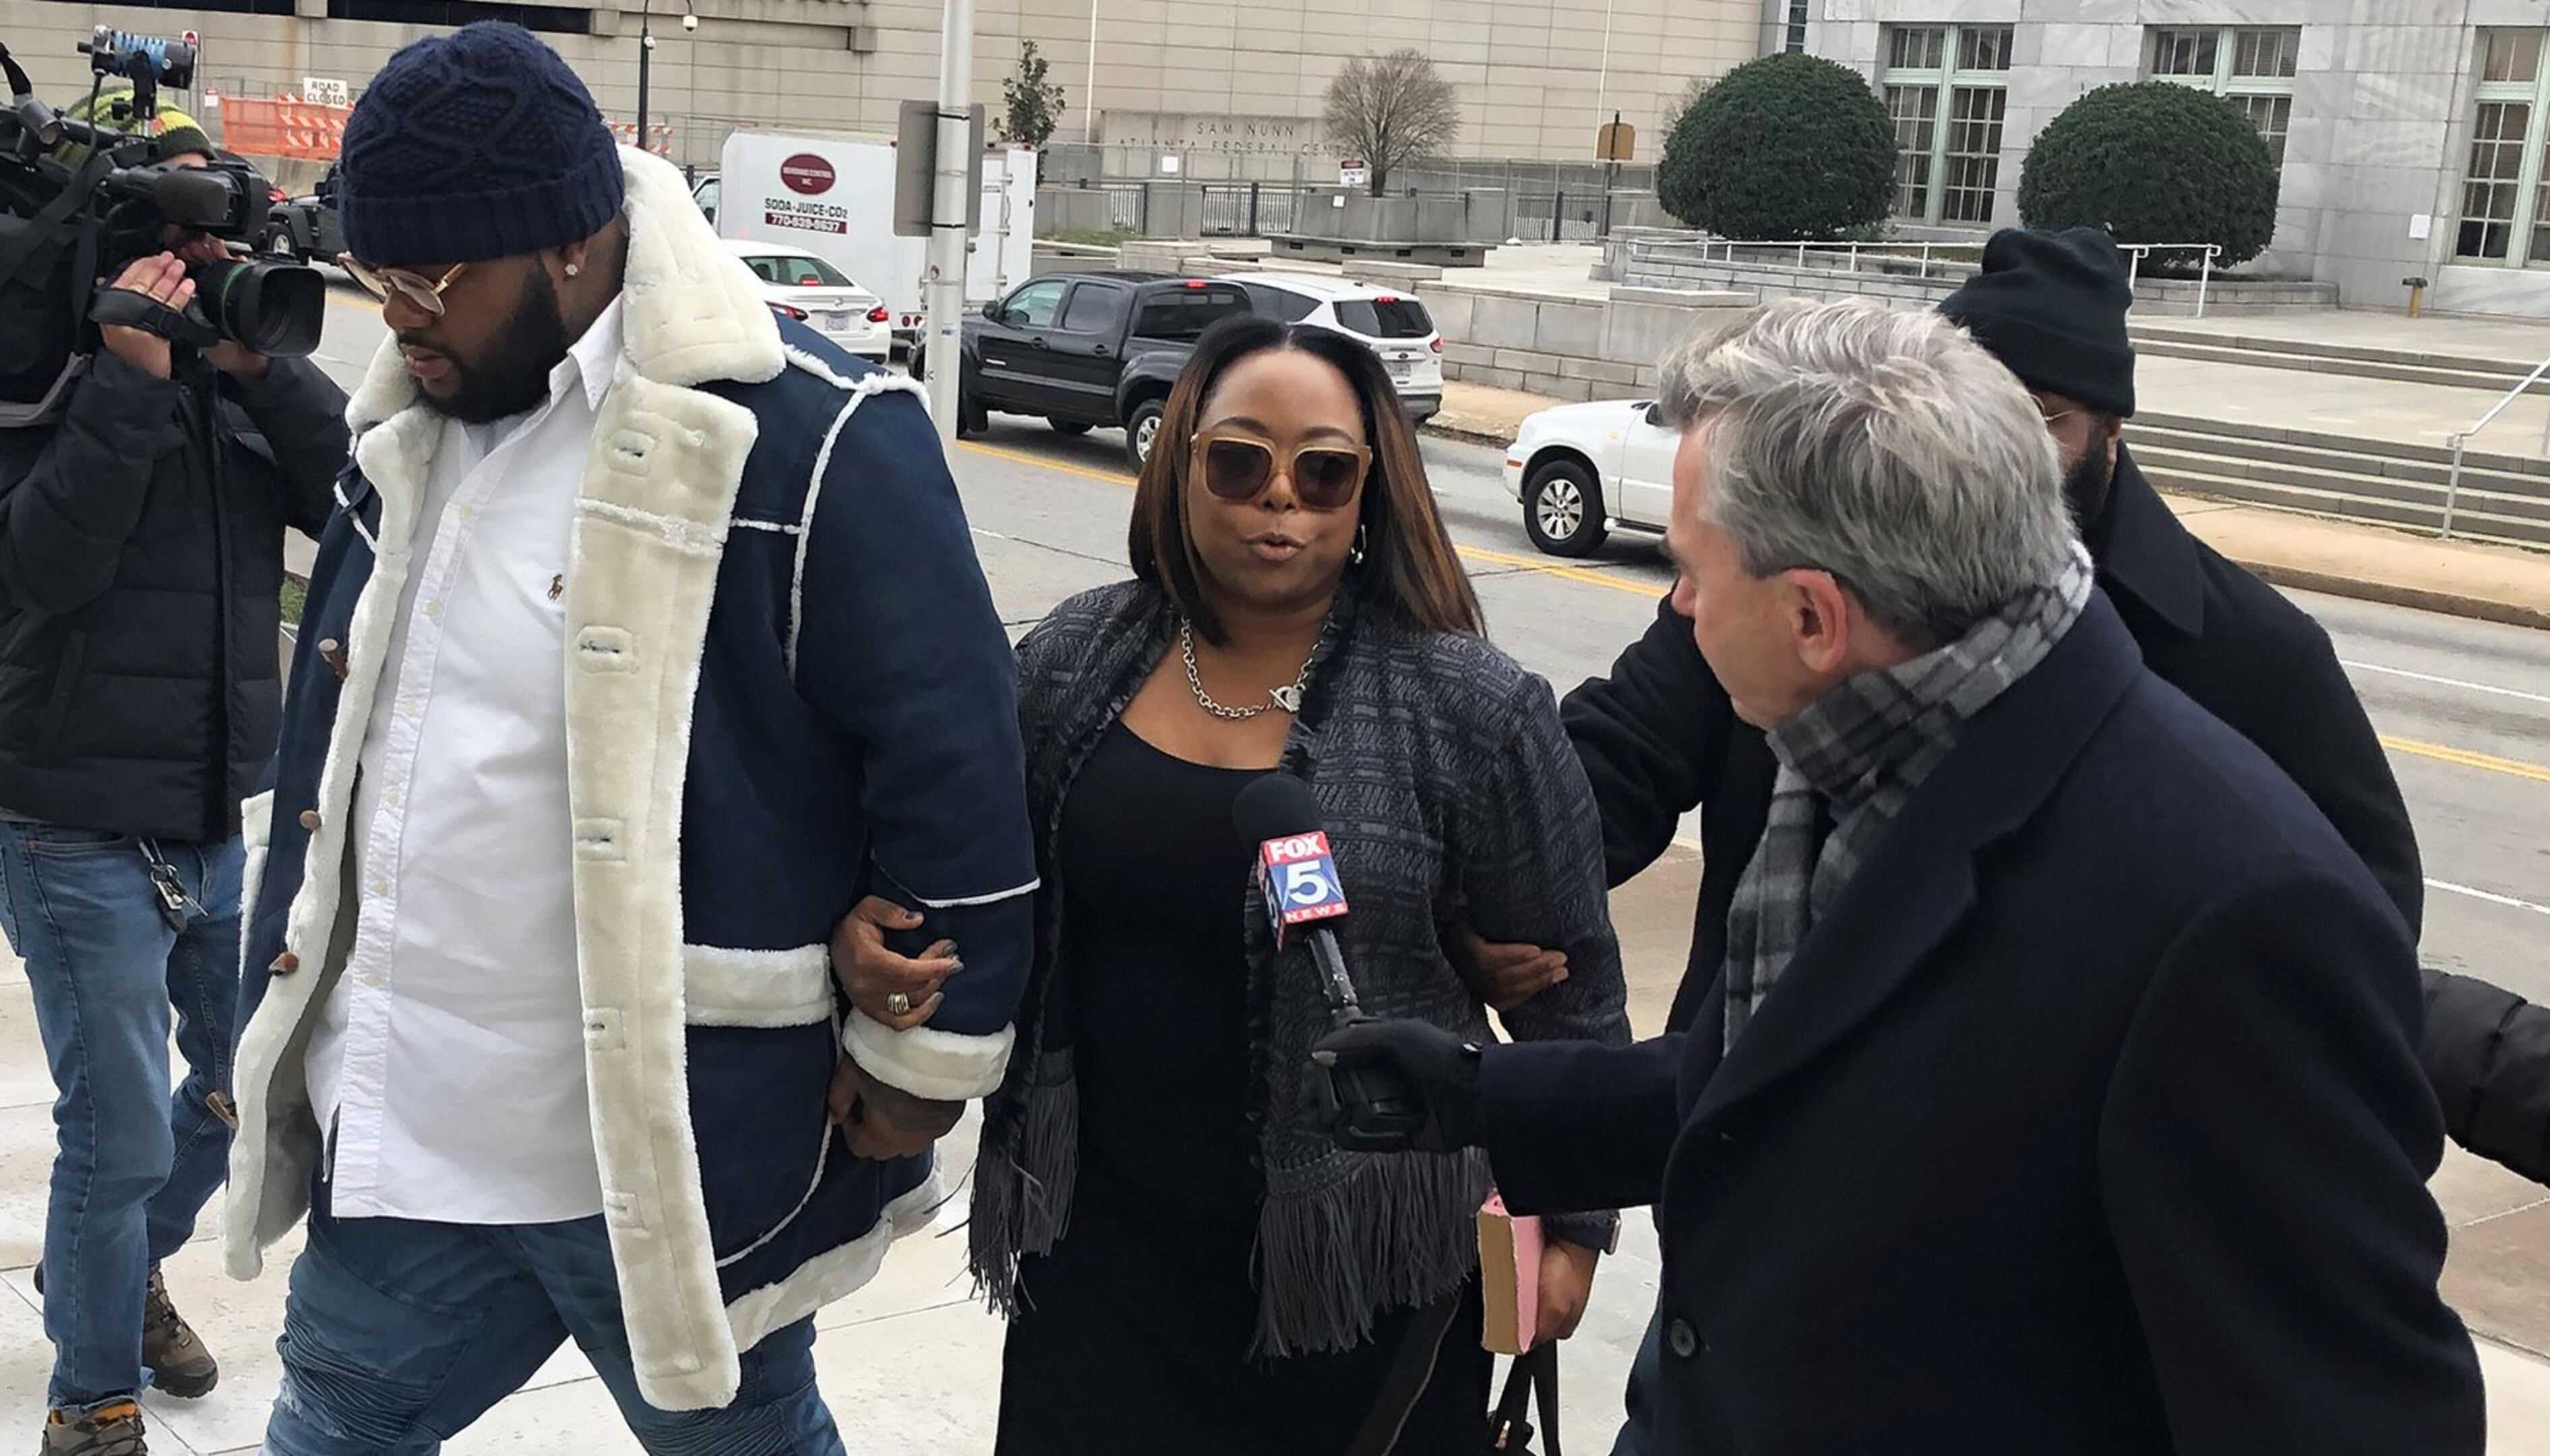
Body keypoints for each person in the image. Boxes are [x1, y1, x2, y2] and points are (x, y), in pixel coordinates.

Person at [1459, 226, 2550, 1450]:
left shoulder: (2237, 892)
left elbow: (2355, 1412)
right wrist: (1475, 1090)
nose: (1676, 603)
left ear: (1813, 617)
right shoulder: (1846, 724)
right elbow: (1766, 1067)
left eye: (1687, 571)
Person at [220, 25, 1032, 1453]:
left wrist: (928, 1061)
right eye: (372, 271)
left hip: (669, 1157)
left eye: (431, 279)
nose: (394, 312)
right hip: (408, 1143)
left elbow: (954, 764)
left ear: (577, 245)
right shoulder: (408, 426)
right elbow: (340, 755)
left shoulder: (805, 435)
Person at [837, 313, 1627, 1453]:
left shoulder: (1473, 708)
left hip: (1363, 1269)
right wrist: (881, 948)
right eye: (1240, 461)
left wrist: (1576, 1233)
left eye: (1324, 470)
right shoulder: (1066, 658)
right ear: (1182, 464)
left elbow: (1576, 997)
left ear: (1370, 488)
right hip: (1099, 1251)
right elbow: (967, 884)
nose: (1281, 499)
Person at [0, 102, 348, 1455]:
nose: (198, 265)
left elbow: (354, 503)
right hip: (70, 822)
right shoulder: (45, 373)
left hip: (215, 809)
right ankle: (90, 1401)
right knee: (122, 1131)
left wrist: (261, 368)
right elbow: (45, 575)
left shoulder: (222, 385)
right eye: (174, 237)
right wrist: (127, 380)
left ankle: (102, 1275)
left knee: (237, 1094)